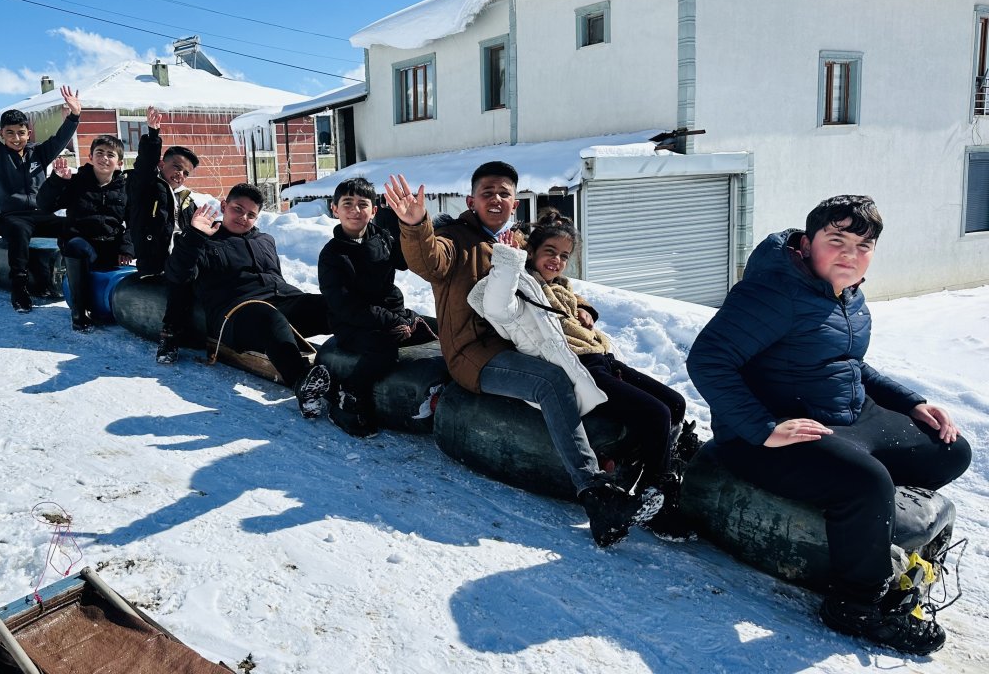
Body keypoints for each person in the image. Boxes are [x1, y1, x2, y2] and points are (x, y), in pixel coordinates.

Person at [687, 195, 972, 655]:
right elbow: (708, 360)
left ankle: (862, 518)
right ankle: (856, 605)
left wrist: (912, 402)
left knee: (951, 450)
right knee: (865, 482)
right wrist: (762, 428)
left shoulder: (847, 293)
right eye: (837, 240)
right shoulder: (775, 290)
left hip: (846, 417)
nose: (850, 254)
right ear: (807, 241)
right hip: (775, 430)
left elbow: (848, 363)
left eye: (863, 245)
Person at [385, 162, 662, 548]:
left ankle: (639, 463)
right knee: (552, 382)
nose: (495, 199)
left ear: (515, 203)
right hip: (477, 355)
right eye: (487, 193)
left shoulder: (516, 238)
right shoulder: (456, 240)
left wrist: (583, 306)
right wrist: (415, 225)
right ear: (471, 200)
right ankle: (594, 493)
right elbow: (428, 259)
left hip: (525, 341)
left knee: (595, 373)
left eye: (504, 193)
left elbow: (550, 276)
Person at [472, 216, 693, 539]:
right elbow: (497, 305)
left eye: (564, 255)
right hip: (580, 371)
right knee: (656, 414)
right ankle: (656, 506)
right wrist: (508, 259)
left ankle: (653, 488)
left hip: (602, 360)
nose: (557, 261)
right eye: (550, 251)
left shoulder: (561, 287)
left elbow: (568, 299)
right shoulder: (520, 284)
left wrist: (586, 309)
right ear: (530, 251)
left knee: (676, 403)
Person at [165, 183, 333, 418]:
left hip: (282, 302)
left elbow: (276, 280)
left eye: (251, 214)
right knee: (267, 316)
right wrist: (194, 236)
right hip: (237, 315)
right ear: (224, 206)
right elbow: (178, 275)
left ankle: (383, 347)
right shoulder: (203, 242)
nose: (244, 217)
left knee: (332, 305)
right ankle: (302, 383)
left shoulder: (265, 240)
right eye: (237, 209)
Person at [317, 177, 436, 436]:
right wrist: (392, 321)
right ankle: (349, 392)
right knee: (383, 349)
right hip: (352, 325)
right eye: (347, 203)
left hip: (391, 315)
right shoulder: (331, 256)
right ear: (335, 209)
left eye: (363, 204)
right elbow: (345, 305)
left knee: (438, 328)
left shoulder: (382, 237)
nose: (355, 210)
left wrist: (405, 222)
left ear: (374, 210)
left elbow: (406, 262)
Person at [0, 70, 81, 312]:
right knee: (18, 233)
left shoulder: (39, 153)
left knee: (72, 226)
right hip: (12, 217)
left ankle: (76, 278)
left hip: (40, 214)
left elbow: (60, 139)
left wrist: (74, 116)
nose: (16, 138)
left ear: (29, 133)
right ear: (1, 134)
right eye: (10, 133)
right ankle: (20, 289)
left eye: (21, 132)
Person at [125, 106, 200, 362]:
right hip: (157, 261)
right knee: (183, 279)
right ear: (161, 164)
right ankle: (169, 337)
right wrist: (153, 134)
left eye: (186, 172)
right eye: (176, 167)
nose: (180, 174)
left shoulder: (187, 200)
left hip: (180, 258)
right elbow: (143, 165)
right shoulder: (147, 187)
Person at [38, 135, 134, 332]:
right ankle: (79, 314)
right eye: (99, 153)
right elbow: (45, 206)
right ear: (90, 156)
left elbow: (134, 222)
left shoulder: (125, 189)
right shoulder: (76, 182)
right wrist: (57, 181)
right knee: (75, 246)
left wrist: (127, 246)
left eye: (110, 154)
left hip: (109, 245)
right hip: (80, 243)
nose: (104, 158)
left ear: (119, 163)